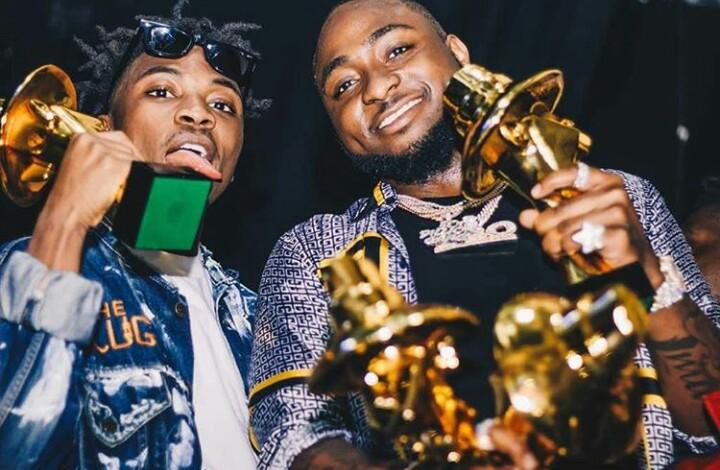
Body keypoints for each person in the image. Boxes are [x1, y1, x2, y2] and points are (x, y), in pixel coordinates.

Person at [250, 1, 720, 469]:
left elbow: (710, 424)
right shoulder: (316, 253)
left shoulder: (615, 198)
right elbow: (294, 435)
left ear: (457, 52)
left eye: (397, 50)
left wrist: (650, 278)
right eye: (344, 85)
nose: (375, 88)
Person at [0, 1, 270, 468]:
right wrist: (64, 220)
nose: (199, 114)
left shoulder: (262, 317)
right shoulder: (20, 267)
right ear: (104, 130)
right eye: (161, 91)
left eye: (223, 105)